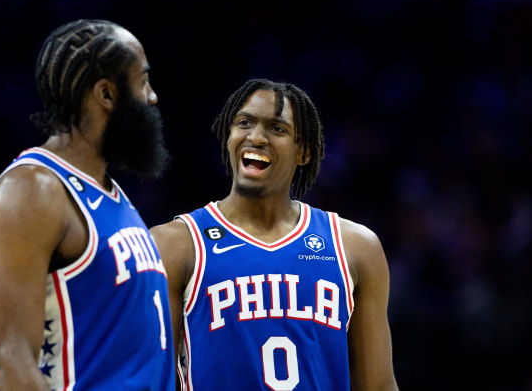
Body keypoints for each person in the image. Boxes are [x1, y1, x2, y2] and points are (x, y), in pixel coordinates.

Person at [150, 79, 399, 390]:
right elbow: (151, 379)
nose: (256, 137)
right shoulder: (175, 244)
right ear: (229, 137)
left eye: (277, 129)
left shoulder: (355, 247)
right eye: (244, 123)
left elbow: (378, 386)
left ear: (304, 152)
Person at [0, 19, 174, 391]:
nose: (152, 97)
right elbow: (10, 362)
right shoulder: (31, 190)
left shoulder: (113, 195)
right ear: (106, 94)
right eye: (143, 80)